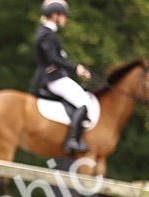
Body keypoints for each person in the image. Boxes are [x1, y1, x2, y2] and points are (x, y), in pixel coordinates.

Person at [31, 0, 93, 154]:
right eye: (64, 16)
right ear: (55, 15)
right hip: (53, 79)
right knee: (84, 101)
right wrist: (76, 68)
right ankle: (72, 140)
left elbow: (56, 58)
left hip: (53, 76)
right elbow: (54, 58)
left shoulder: (46, 33)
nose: (65, 19)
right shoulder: (47, 34)